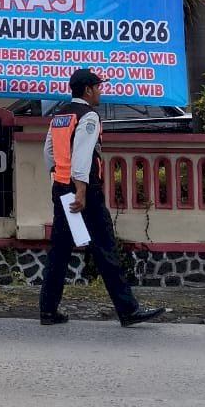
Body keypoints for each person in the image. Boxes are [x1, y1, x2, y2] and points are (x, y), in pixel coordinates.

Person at [38, 68, 165, 327]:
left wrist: (60, 179)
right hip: (85, 193)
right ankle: (128, 310)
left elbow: (49, 152)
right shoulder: (89, 116)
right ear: (87, 90)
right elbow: (83, 155)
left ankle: (48, 310)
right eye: (98, 87)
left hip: (61, 189)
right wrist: (81, 191)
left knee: (59, 251)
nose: (100, 91)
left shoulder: (58, 116)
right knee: (105, 249)